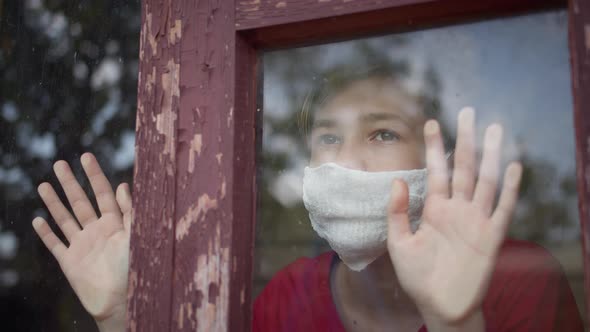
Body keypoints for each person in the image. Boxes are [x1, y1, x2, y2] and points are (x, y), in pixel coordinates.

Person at [32, 73, 583, 332]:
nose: (347, 161)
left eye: (383, 134)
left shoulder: (523, 280)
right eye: (327, 137)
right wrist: (122, 317)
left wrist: (455, 324)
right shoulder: (284, 300)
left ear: (436, 156)